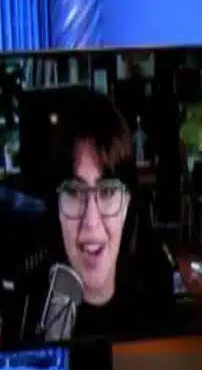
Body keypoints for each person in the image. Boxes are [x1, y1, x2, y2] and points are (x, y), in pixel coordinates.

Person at [10, 87, 178, 347]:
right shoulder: (27, 311)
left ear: (127, 202)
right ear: (57, 206)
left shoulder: (158, 304)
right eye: (74, 192)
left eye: (107, 191)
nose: (91, 222)